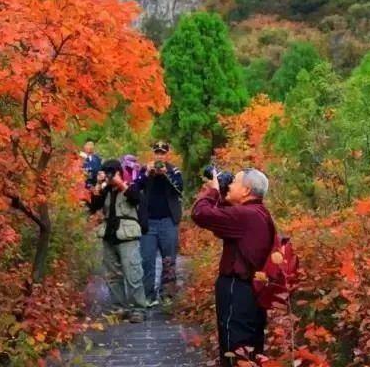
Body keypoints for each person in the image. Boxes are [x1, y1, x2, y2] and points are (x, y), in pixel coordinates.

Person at [191, 168, 273, 367]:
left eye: (234, 182)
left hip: (238, 290)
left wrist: (212, 191)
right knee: (250, 349)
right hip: (253, 292)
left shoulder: (245, 215)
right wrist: (221, 195)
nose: (229, 185)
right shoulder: (258, 213)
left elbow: (200, 213)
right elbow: (223, 218)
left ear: (246, 190)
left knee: (234, 348)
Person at [89, 159, 147, 323]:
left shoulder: (131, 185)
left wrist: (120, 183)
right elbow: (94, 207)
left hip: (127, 235)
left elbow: (136, 198)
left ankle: (138, 308)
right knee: (112, 275)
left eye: (111, 172)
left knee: (132, 272)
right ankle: (119, 307)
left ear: (119, 172)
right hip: (109, 234)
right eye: (106, 172)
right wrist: (99, 185)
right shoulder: (105, 190)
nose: (109, 176)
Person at [137, 141, 183, 305]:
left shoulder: (174, 171)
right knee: (147, 260)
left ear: (167, 154)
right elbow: (135, 188)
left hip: (168, 222)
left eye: (162, 153)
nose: (159, 156)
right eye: (157, 153)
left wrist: (166, 175)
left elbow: (179, 189)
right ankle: (148, 296)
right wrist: (147, 173)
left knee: (169, 259)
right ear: (153, 154)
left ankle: (167, 295)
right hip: (148, 222)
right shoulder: (145, 169)